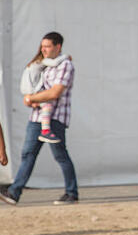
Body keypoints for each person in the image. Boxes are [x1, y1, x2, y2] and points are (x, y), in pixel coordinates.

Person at [0, 32, 79, 206]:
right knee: (28, 154)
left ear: (58, 46)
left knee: (60, 155)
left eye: (47, 46)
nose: (43, 49)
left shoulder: (65, 65)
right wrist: (31, 98)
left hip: (55, 118)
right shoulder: (45, 65)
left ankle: (71, 192)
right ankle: (14, 192)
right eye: (42, 46)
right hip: (37, 117)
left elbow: (55, 92)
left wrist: (32, 98)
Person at [19, 46, 71, 144]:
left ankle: (44, 128)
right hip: (32, 89)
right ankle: (45, 131)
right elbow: (55, 63)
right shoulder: (42, 61)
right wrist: (66, 56)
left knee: (29, 151)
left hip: (27, 89)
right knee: (47, 106)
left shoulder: (32, 63)